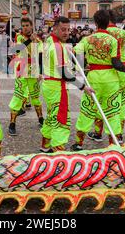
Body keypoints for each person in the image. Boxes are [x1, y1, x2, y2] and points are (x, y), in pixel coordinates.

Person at [71, 10, 125, 151]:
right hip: (111, 80)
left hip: (94, 78)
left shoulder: (87, 39)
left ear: (95, 23)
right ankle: (114, 144)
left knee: (87, 109)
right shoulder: (113, 41)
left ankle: (78, 143)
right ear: (108, 23)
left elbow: (74, 52)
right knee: (113, 111)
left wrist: (81, 65)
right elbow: (116, 63)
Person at [40, 17, 94, 153]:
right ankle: (59, 154)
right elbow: (64, 73)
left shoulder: (50, 40)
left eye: (68, 30)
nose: (66, 33)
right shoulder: (57, 46)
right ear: (55, 29)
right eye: (63, 30)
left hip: (49, 84)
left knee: (52, 115)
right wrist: (83, 87)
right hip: (56, 87)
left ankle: (45, 145)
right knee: (61, 119)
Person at [8, 17, 44, 136]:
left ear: (32, 25)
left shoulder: (37, 39)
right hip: (21, 67)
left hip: (33, 68)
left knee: (35, 95)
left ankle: (40, 119)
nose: (25, 27)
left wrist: (41, 72)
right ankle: (12, 123)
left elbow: (41, 55)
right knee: (18, 95)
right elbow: (18, 49)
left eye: (27, 25)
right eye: (23, 25)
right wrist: (30, 40)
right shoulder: (19, 37)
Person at [103, 15, 125, 138]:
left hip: (107, 70)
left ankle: (98, 132)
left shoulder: (102, 33)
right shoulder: (122, 32)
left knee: (103, 101)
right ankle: (118, 134)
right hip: (122, 69)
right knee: (121, 102)